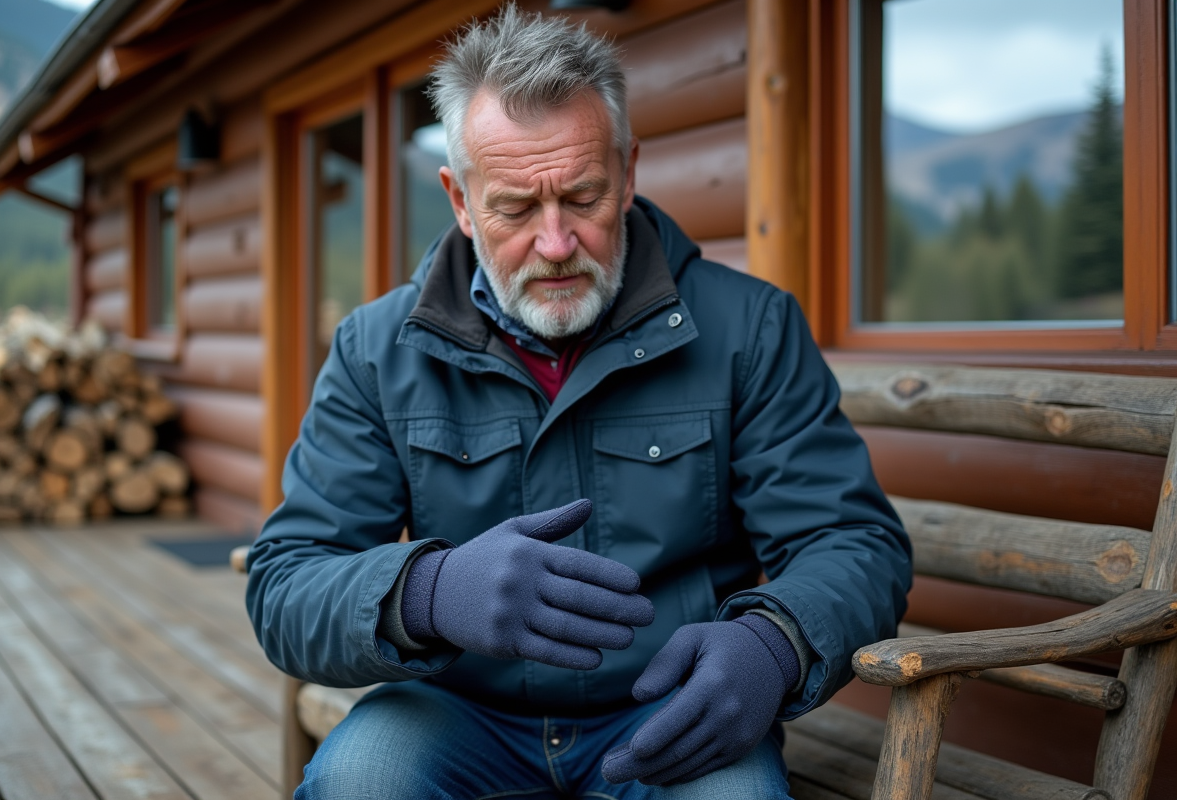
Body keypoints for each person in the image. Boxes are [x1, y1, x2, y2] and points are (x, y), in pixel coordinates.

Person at [245, 5, 912, 798]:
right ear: (460, 200)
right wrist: (426, 594)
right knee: (359, 782)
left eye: (584, 199)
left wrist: (776, 644)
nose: (556, 243)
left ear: (628, 173)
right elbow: (286, 583)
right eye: (516, 208)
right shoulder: (374, 349)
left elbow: (854, 541)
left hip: (672, 713)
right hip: (457, 709)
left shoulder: (750, 328)